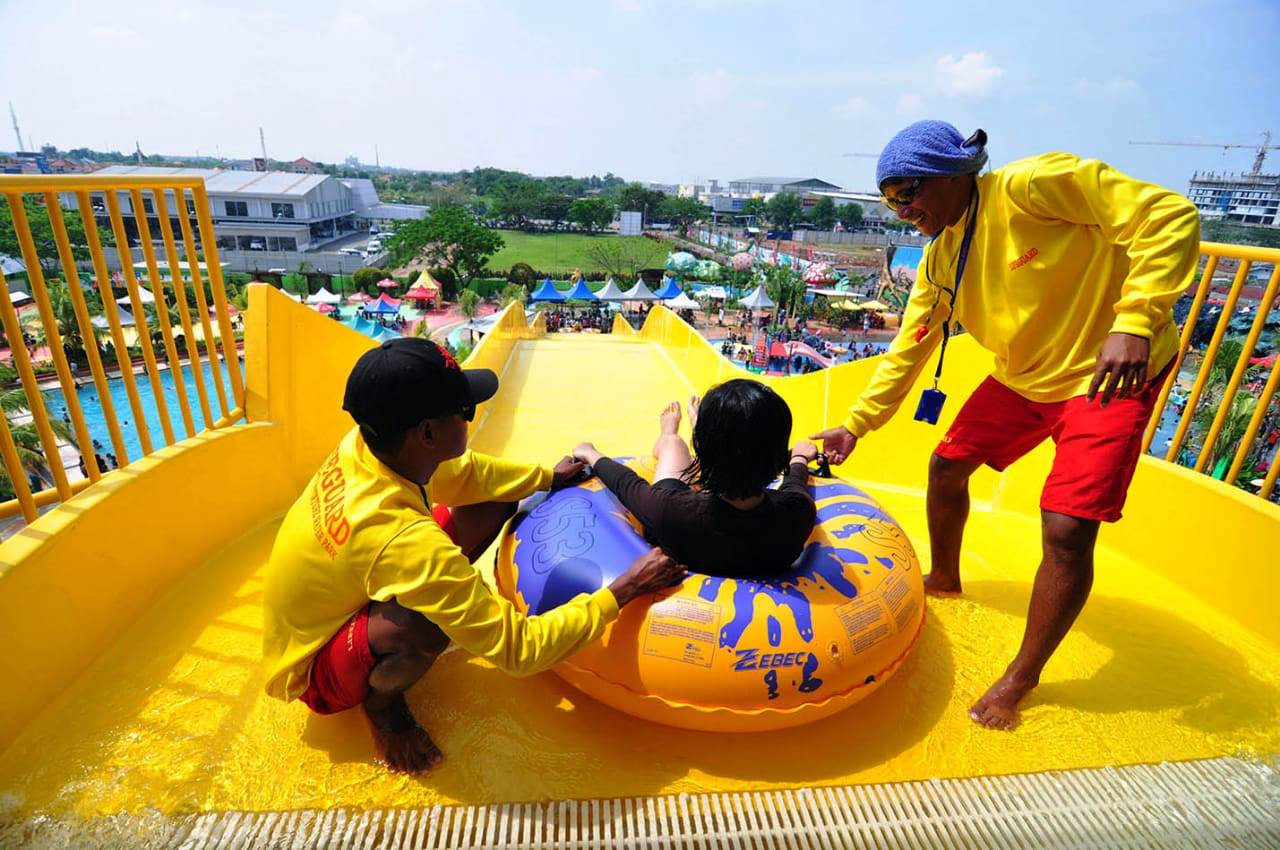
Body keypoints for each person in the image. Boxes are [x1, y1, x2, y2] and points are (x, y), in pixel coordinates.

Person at [810, 120, 1199, 730]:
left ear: (952, 172)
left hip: (1107, 371)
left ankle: (1022, 675)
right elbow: (908, 348)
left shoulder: (1030, 187)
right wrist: (856, 426)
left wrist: (1137, 319)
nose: (900, 208)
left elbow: (1170, 214)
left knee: (1067, 528)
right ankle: (944, 576)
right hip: (1024, 377)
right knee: (946, 466)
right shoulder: (939, 259)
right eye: (889, 197)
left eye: (907, 190)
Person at [262, 338, 686, 773]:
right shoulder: (404, 540)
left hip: (338, 601)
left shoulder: (371, 445)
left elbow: (467, 474)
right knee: (425, 625)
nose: (471, 416)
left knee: (498, 499)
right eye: (464, 410)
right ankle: (384, 711)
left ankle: (407, 626)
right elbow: (518, 650)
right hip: (315, 671)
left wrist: (545, 478)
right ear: (427, 433)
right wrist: (626, 587)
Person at [572, 380, 817, 579]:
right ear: (778, 458)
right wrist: (799, 459)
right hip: (734, 496)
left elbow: (627, 484)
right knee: (729, 457)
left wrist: (590, 453)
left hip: (687, 528)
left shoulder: (669, 510)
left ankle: (671, 433)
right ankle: (703, 429)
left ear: (702, 451)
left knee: (673, 445)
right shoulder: (797, 514)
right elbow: (794, 482)